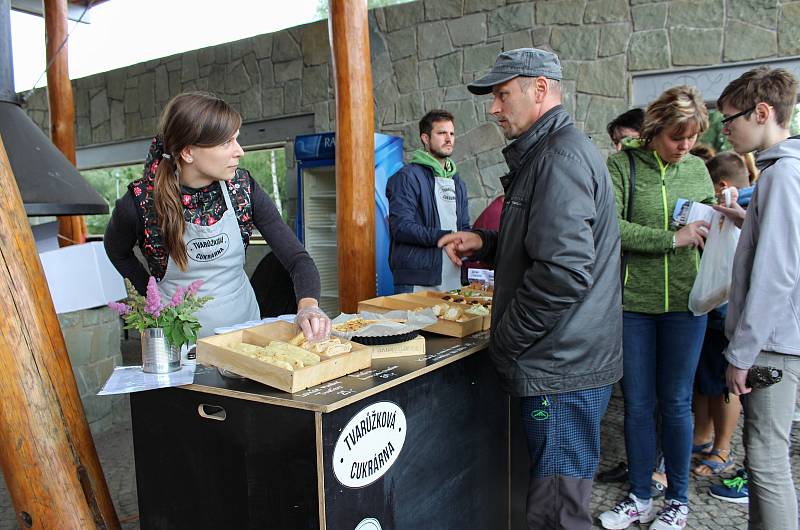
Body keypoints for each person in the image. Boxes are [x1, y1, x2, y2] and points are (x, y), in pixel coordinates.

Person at [439, 48, 623, 530]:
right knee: (553, 497)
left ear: (540, 90)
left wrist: (507, 341)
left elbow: (562, 273)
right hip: (565, 360)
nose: (494, 108)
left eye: (503, 95)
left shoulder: (559, 156)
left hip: (560, 368)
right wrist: (489, 241)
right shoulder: (550, 151)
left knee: (558, 511)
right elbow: (546, 246)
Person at [105, 92, 330, 341]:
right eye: (226, 142)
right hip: (177, 343)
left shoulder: (243, 189)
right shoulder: (140, 203)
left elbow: (298, 259)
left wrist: (308, 306)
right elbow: (116, 250)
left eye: (237, 140)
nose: (240, 151)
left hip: (244, 337)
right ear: (188, 152)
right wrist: (151, 295)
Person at [598, 85, 716, 530]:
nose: (684, 147)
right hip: (634, 305)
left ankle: (679, 500)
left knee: (677, 403)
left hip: (688, 304)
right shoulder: (621, 165)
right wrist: (672, 239)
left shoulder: (697, 170)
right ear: (653, 130)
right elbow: (613, 228)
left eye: (690, 138)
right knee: (638, 404)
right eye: (676, 138)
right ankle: (639, 496)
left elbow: (707, 227)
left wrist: (723, 217)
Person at [715, 66, 800, 530]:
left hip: (773, 344)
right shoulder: (780, 173)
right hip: (776, 338)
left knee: (767, 463)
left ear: (762, 112)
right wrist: (747, 221)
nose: (725, 129)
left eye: (730, 119)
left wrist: (742, 352)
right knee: (767, 457)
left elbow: (778, 273)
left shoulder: (783, 174)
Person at [691, 152, 752, 480]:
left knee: (725, 385)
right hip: (713, 312)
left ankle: (723, 447)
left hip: (727, 316)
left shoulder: (744, 210)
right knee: (706, 380)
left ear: (724, 187)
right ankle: (701, 437)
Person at [386, 109, 470, 293]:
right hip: (418, 279)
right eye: (441, 133)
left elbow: (463, 227)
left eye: (452, 133)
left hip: (454, 275)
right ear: (425, 138)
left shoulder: (458, 182)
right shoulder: (406, 177)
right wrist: (445, 237)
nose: (449, 139)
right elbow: (401, 227)